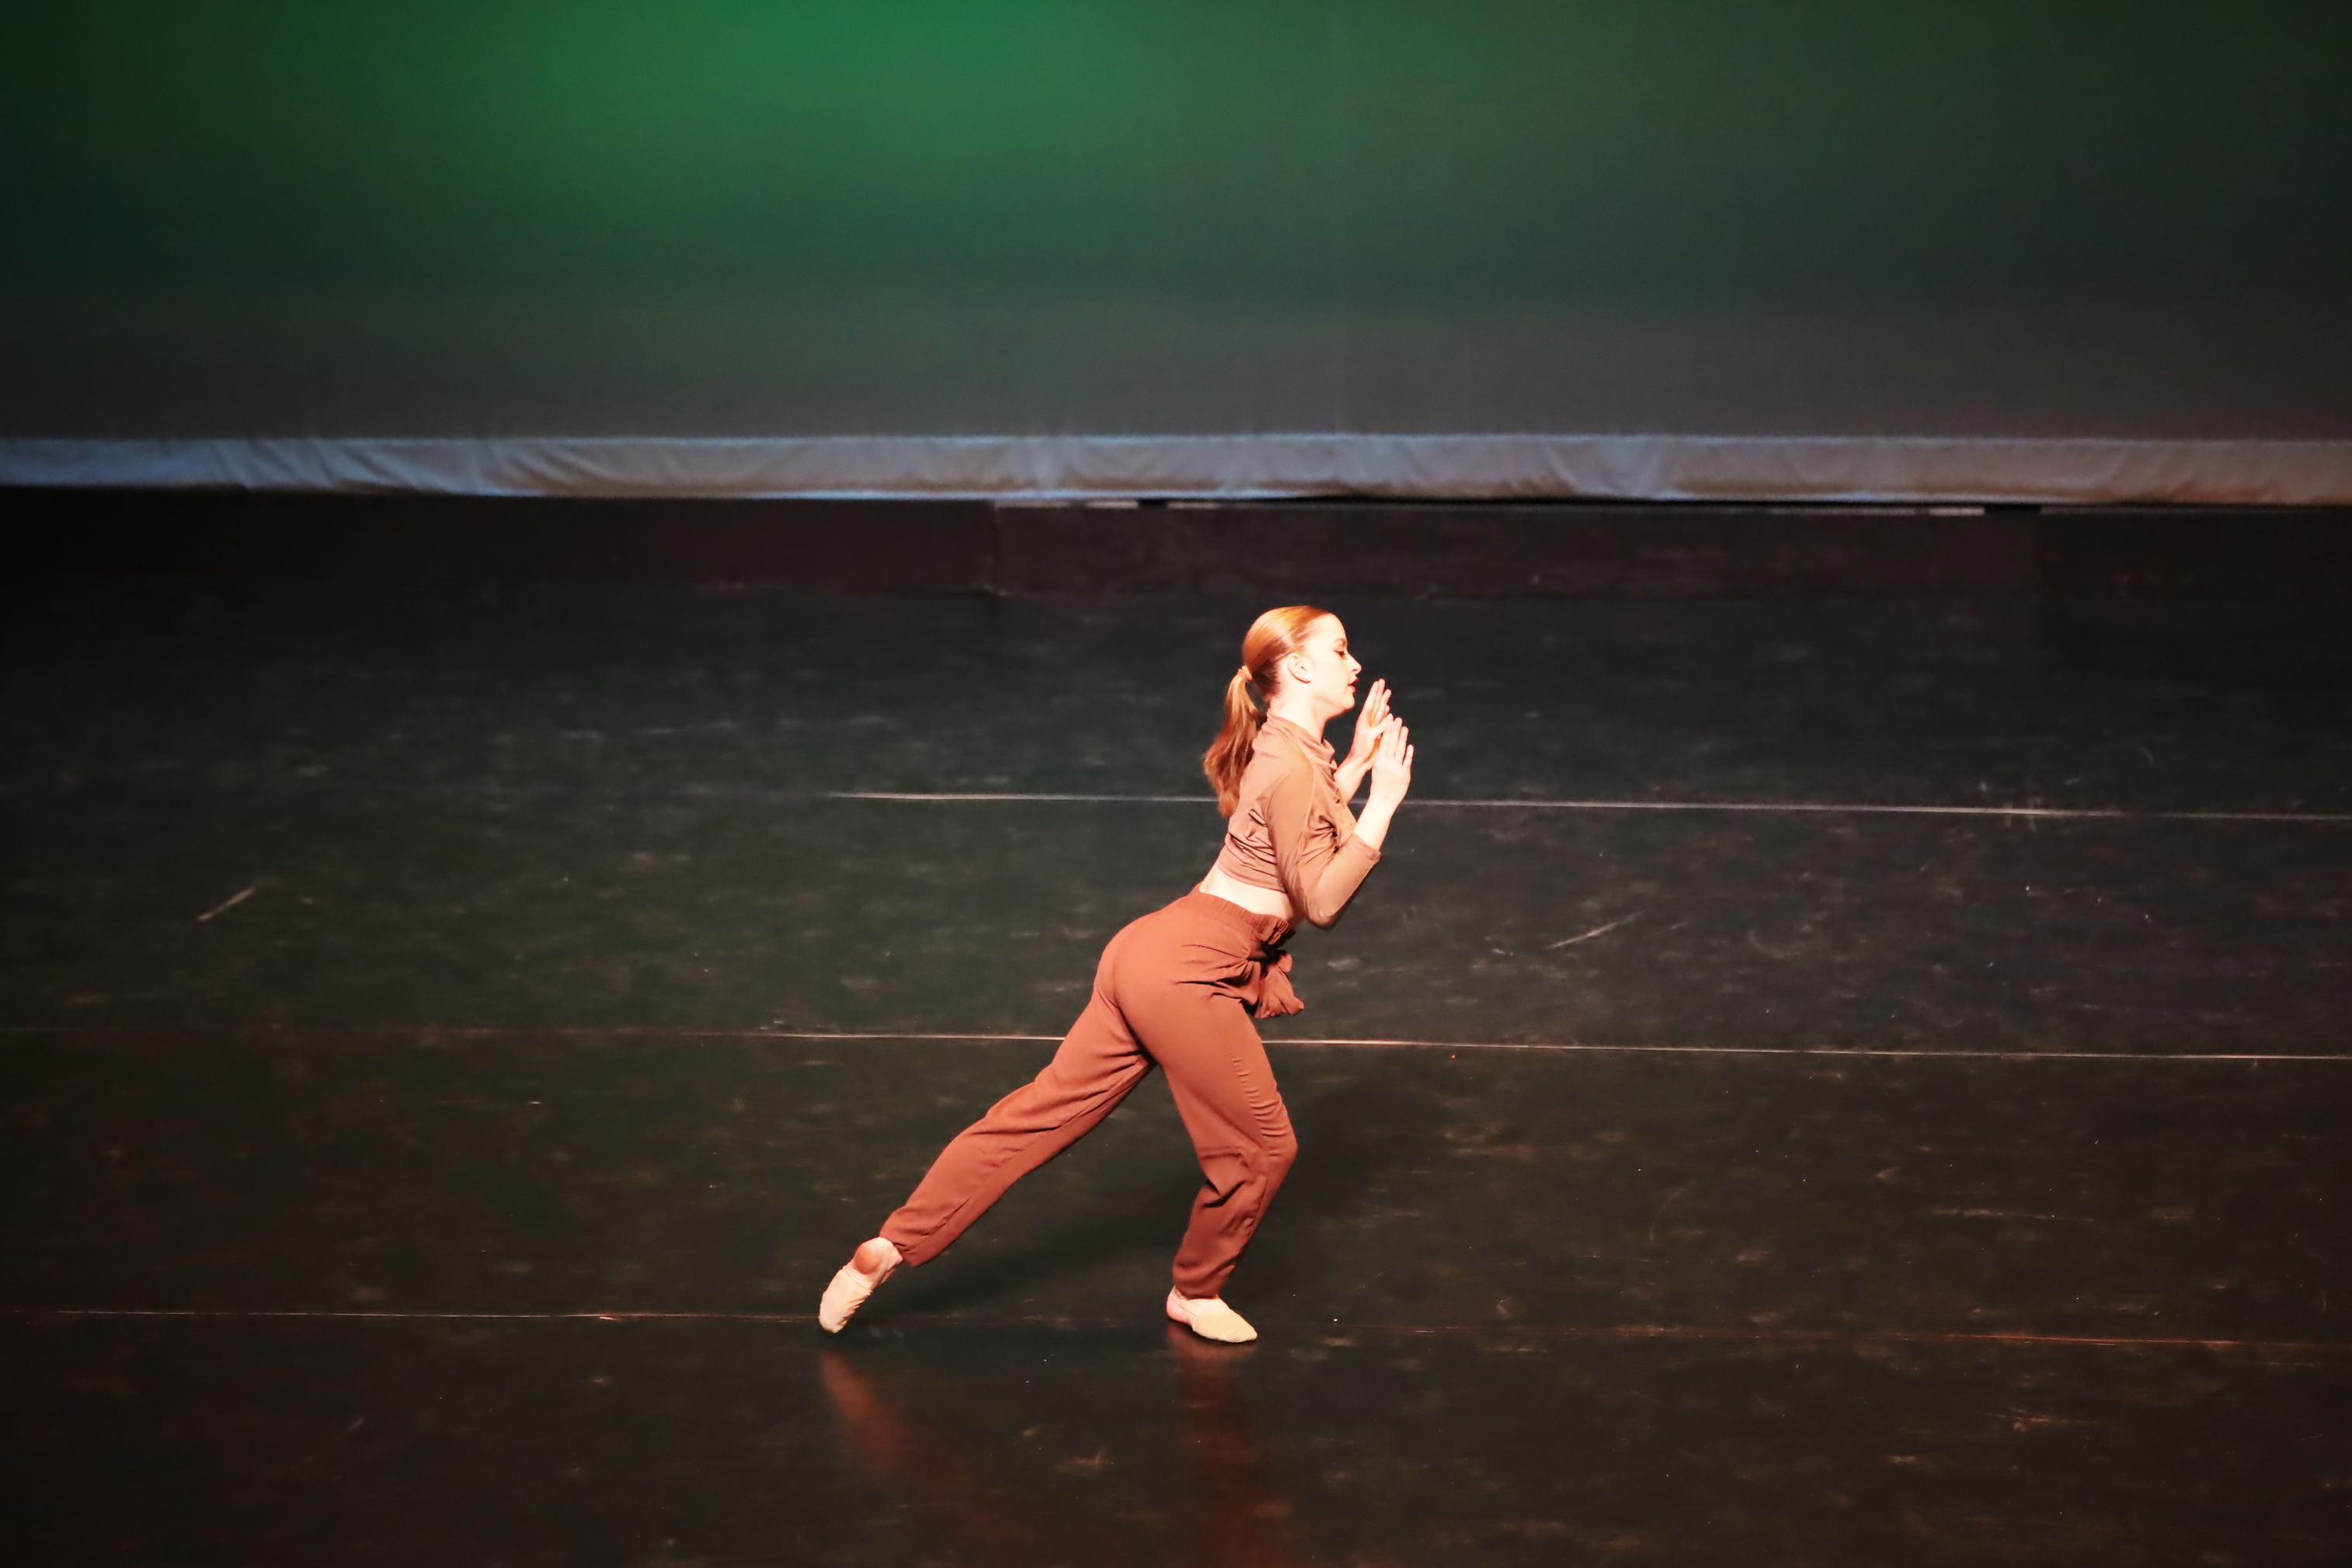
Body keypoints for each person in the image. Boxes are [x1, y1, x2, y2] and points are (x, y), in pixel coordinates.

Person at [818, 604, 1414, 1343]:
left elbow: (1303, 823)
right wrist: (1385, 800)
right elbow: (1320, 900)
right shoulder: (1291, 762)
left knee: (1040, 1113)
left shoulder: (1288, 745)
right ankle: (1195, 1290)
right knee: (1262, 1147)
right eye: (1341, 650)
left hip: (1153, 949)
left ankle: (889, 1246)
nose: (1354, 664)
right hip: (1188, 972)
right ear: (1297, 667)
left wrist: (1355, 766)